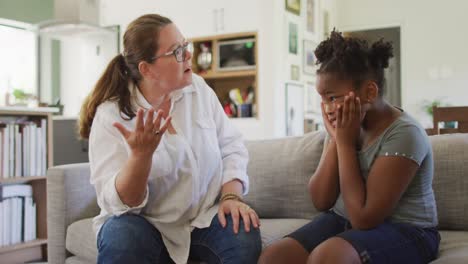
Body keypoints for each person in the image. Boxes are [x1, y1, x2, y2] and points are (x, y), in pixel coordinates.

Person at [78, 14, 261, 264]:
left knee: (243, 232)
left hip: (203, 220)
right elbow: (119, 204)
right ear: (146, 68)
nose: (188, 55)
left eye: (186, 46)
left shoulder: (199, 90)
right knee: (120, 235)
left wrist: (231, 197)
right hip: (145, 226)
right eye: (177, 51)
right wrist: (140, 158)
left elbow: (232, 147)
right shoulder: (112, 116)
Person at [259, 30, 440, 264]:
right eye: (323, 99)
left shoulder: (405, 134)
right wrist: (336, 139)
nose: (327, 108)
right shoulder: (344, 125)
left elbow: (364, 219)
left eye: (333, 97)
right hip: (344, 219)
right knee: (274, 257)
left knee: (326, 257)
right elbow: (322, 201)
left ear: (369, 92)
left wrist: (344, 142)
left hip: (408, 230)